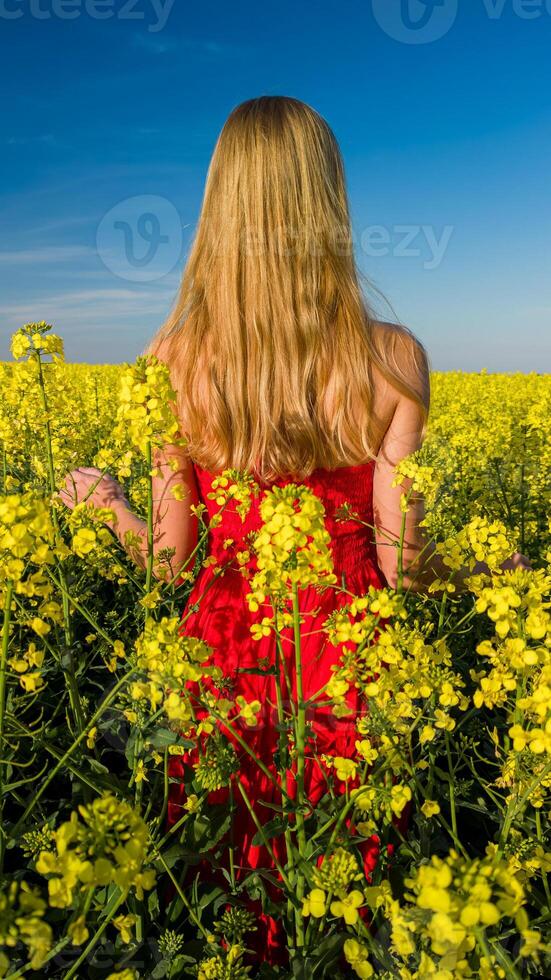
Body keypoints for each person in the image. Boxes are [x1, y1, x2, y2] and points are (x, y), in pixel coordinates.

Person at [59, 96, 531, 965]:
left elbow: (171, 565)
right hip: (349, 668)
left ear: (219, 208)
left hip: (221, 661)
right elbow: (400, 565)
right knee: (342, 894)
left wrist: (110, 507)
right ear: (328, 204)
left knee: (218, 892)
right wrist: (487, 570)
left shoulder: (174, 358)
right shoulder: (391, 359)